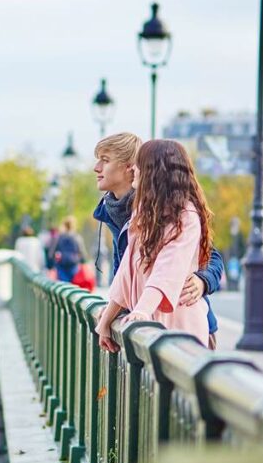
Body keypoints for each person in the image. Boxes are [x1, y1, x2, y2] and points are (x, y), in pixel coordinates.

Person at [91, 133, 224, 348]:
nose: (96, 167)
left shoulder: (184, 216)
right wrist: (106, 320)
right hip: (146, 323)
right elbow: (126, 271)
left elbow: (170, 269)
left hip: (178, 325)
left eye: (105, 160)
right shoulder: (140, 213)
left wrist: (203, 279)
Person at [49, 216, 87, 283]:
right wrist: (83, 261)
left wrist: (52, 262)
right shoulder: (77, 237)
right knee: (73, 285)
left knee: (63, 285)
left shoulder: (59, 237)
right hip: (74, 264)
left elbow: (52, 252)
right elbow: (82, 252)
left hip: (61, 264)